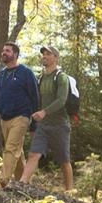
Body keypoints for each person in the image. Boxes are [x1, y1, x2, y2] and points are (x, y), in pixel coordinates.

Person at [0, 42, 40, 187]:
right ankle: (24, 184)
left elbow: (35, 97)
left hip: (22, 116)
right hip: (5, 118)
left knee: (10, 148)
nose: (4, 53)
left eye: (7, 51)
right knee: (17, 150)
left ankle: (3, 181)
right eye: (3, 50)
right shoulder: (1, 75)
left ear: (15, 54)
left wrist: (34, 122)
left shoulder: (25, 72)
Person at [20, 45, 73, 190]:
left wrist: (44, 112)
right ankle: (22, 184)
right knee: (33, 154)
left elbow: (61, 100)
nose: (44, 56)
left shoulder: (61, 77)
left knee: (64, 160)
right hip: (43, 126)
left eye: (48, 54)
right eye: (43, 54)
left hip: (60, 125)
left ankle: (70, 192)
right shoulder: (41, 78)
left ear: (56, 58)